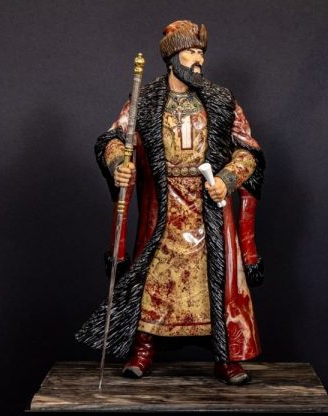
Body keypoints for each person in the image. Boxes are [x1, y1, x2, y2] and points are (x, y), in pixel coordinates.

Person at [76, 20, 265, 385]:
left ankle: (226, 355)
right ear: (173, 57)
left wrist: (226, 180)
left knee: (216, 281)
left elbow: (248, 151)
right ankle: (143, 347)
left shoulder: (221, 100)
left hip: (207, 208)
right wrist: (119, 164)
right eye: (191, 52)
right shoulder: (145, 100)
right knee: (154, 280)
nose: (199, 60)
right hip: (164, 209)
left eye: (201, 53)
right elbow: (114, 139)